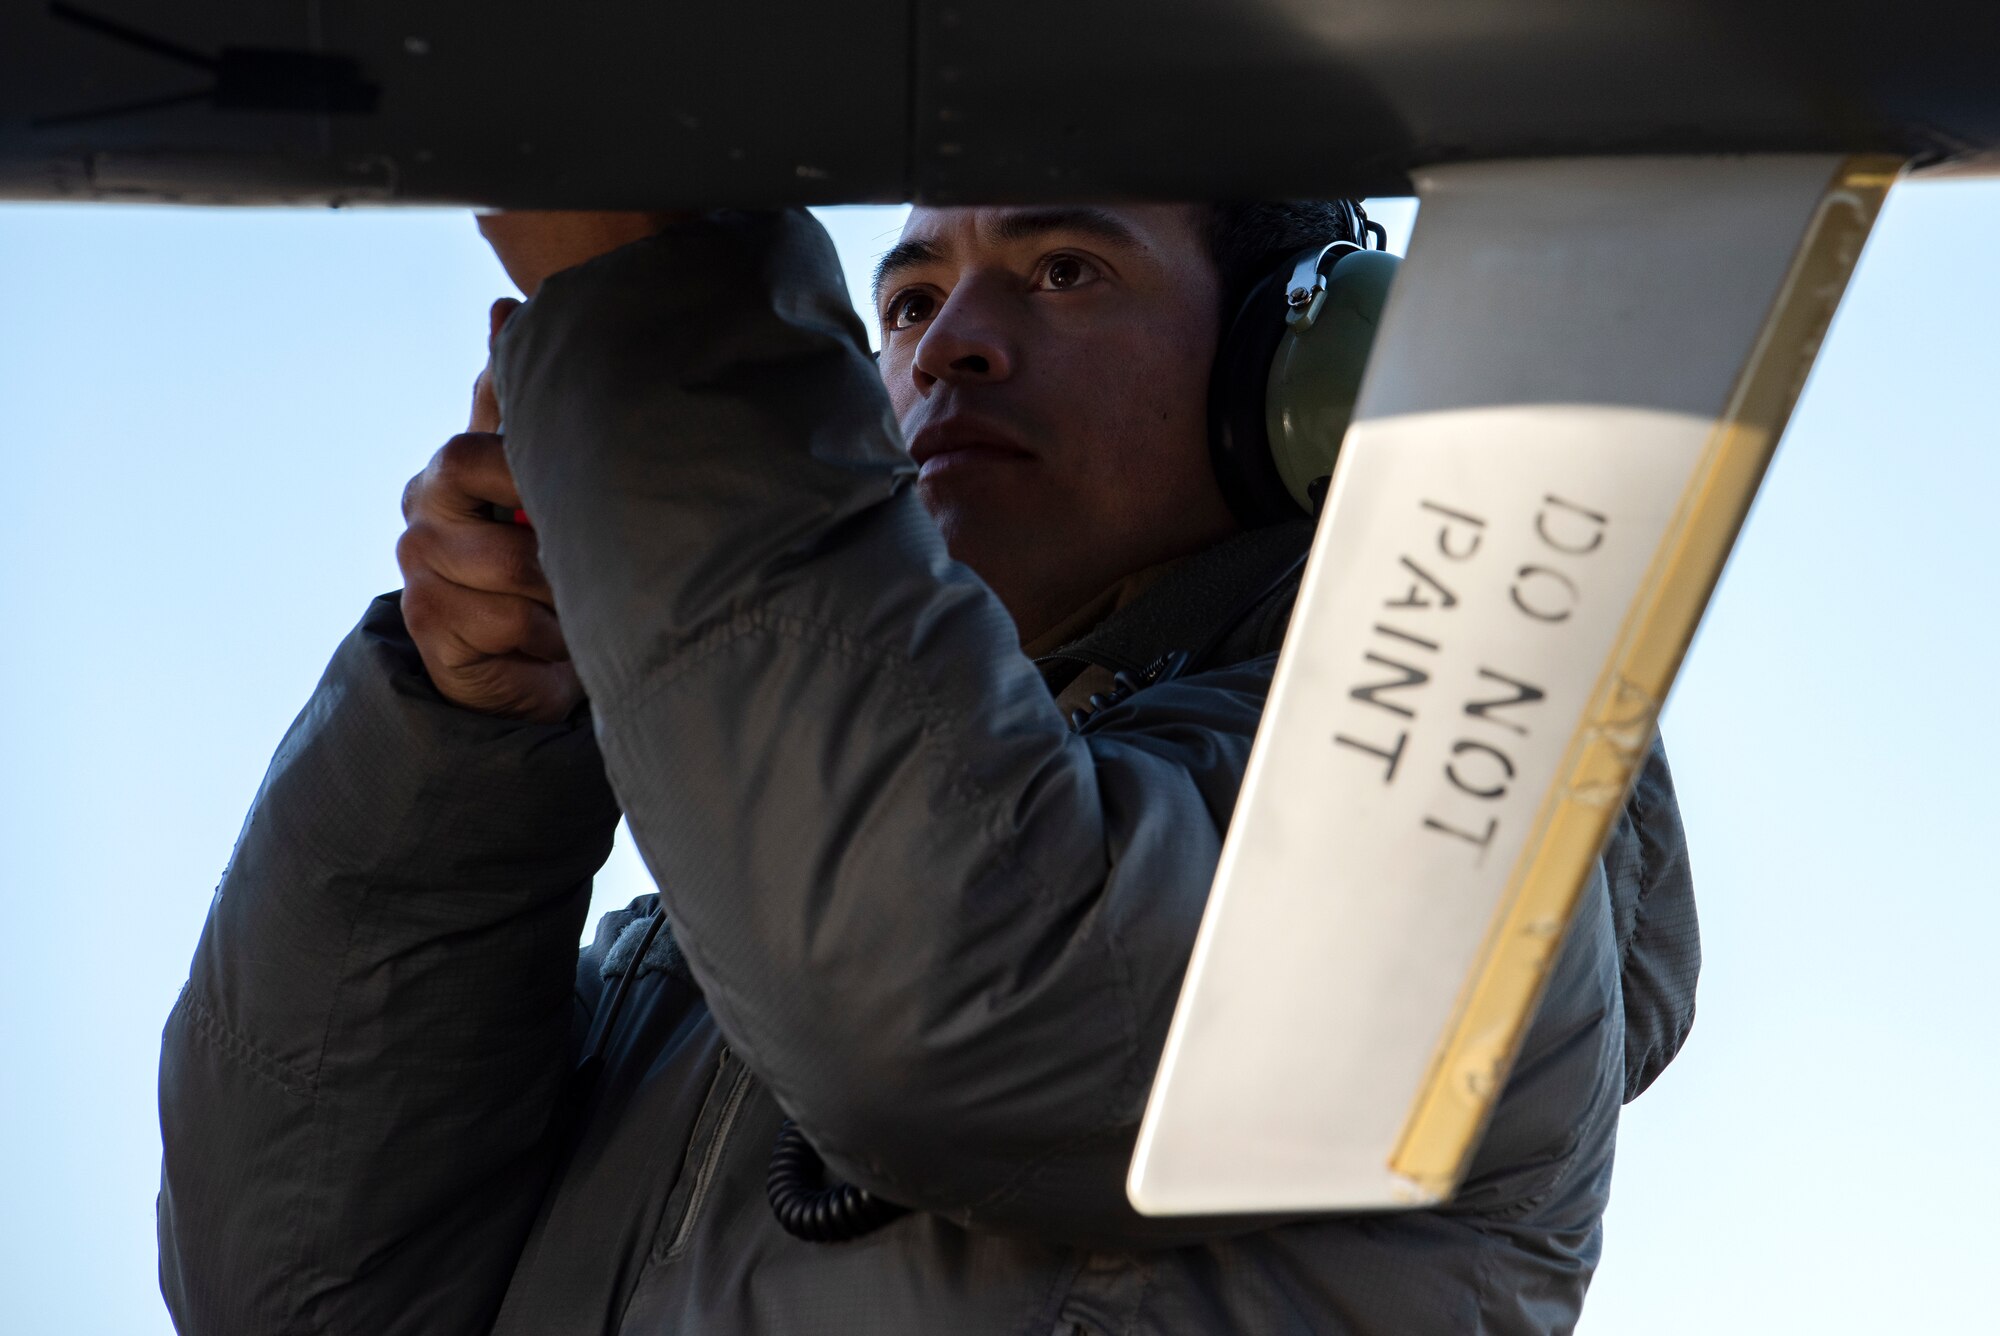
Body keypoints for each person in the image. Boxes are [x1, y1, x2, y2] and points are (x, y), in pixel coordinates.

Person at [157, 201, 1698, 1335]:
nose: (952, 339)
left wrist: (655, 306)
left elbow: (962, 991)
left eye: (1065, 268)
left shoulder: (1457, 829)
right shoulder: (703, 950)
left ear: (1304, 380)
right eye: (903, 302)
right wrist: (475, 739)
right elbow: (293, 1284)